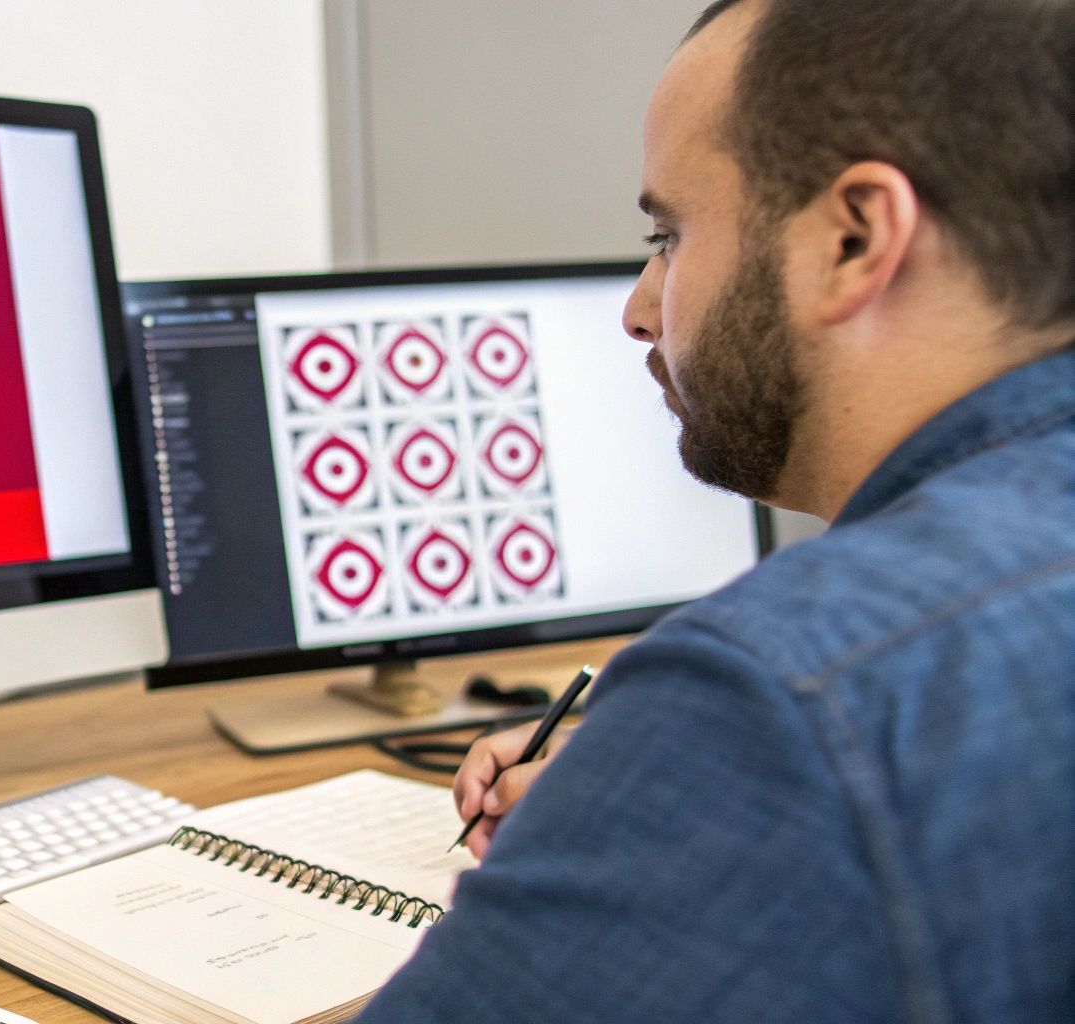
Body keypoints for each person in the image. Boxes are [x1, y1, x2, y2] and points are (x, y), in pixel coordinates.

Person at [354, 0, 1075, 1020]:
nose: (639, 307)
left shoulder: (783, 694)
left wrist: (688, 765)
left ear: (852, 237)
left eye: (667, 234)